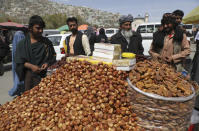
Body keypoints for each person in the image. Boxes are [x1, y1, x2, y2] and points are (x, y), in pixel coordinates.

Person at [15, 15, 56, 91]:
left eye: (42, 28)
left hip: (45, 78)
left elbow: (53, 56)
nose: (41, 30)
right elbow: (19, 61)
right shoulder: (22, 44)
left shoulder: (47, 42)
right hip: (29, 78)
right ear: (30, 28)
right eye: (38, 28)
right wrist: (31, 66)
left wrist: (47, 63)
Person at [9, 28, 27, 96]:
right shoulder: (22, 39)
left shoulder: (16, 39)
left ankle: (19, 91)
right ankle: (19, 90)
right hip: (20, 62)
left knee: (19, 77)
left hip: (18, 62)